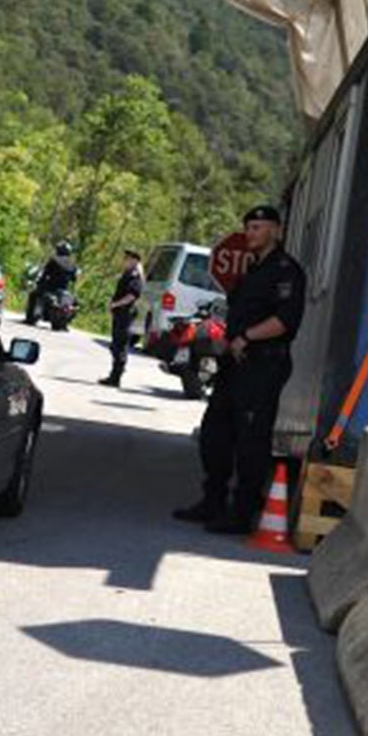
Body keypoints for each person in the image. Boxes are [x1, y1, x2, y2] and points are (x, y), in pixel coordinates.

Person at [173, 204, 306, 533]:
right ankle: (212, 501)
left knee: (251, 441)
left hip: (264, 365)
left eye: (258, 227)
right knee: (215, 433)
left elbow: (286, 321)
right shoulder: (252, 270)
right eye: (248, 228)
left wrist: (247, 337)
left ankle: (242, 512)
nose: (251, 233)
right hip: (235, 365)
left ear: (276, 230)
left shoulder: (287, 271)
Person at [99, 248, 144, 387]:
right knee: (116, 344)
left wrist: (116, 304)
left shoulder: (135, 276)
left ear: (134, 260)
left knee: (120, 345)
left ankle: (116, 377)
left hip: (125, 313)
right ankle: (114, 374)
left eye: (127, 258)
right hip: (121, 312)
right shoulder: (128, 274)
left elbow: (132, 295)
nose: (124, 260)